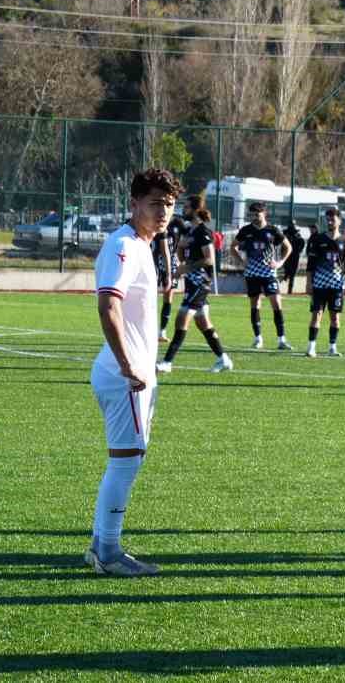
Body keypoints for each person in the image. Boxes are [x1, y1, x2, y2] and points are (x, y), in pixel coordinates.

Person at [85, 167, 183, 576]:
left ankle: (100, 545)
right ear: (135, 204)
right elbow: (108, 305)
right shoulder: (124, 245)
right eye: (156, 203)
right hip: (125, 375)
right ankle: (107, 552)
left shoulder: (143, 244)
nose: (164, 212)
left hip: (134, 374)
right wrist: (128, 366)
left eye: (170, 205)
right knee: (125, 462)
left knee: (130, 459)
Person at [157, 195, 233, 374]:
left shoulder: (203, 232)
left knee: (181, 319)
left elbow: (209, 259)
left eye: (187, 207)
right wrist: (182, 250)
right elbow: (183, 254)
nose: (183, 210)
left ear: (195, 210)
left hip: (200, 283)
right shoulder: (190, 231)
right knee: (203, 323)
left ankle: (167, 362)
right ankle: (224, 359)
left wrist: (186, 268)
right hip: (192, 283)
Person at [231, 202, 292, 351]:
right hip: (252, 274)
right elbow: (233, 247)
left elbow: (288, 247)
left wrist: (280, 262)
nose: (253, 217)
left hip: (269, 274)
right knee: (255, 304)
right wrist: (241, 262)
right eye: (251, 214)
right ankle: (258, 338)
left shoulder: (273, 230)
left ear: (264, 213)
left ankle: (281, 340)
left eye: (256, 214)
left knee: (277, 303)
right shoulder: (246, 230)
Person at [304, 208, 345, 358]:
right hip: (319, 285)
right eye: (328, 219)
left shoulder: (344, 241)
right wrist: (308, 283)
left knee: (335, 318)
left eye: (332, 219)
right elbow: (310, 265)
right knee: (316, 315)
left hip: (337, 286)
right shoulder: (318, 239)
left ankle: (332, 347)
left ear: (339, 221)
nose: (330, 222)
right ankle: (311, 347)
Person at [154, 211, 186, 342]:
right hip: (154, 261)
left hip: (171, 262)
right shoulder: (156, 222)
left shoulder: (178, 223)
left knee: (169, 296)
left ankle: (162, 331)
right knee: (149, 296)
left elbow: (187, 237)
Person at [281, 219, 306, 295]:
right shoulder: (285, 233)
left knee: (293, 273)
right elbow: (281, 242)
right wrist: (282, 251)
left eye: (293, 225)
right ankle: (285, 278)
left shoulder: (297, 234)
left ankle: (290, 290)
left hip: (295, 255)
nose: (292, 226)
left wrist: (299, 250)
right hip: (287, 255)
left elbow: (302, 242)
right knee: (287, 271)